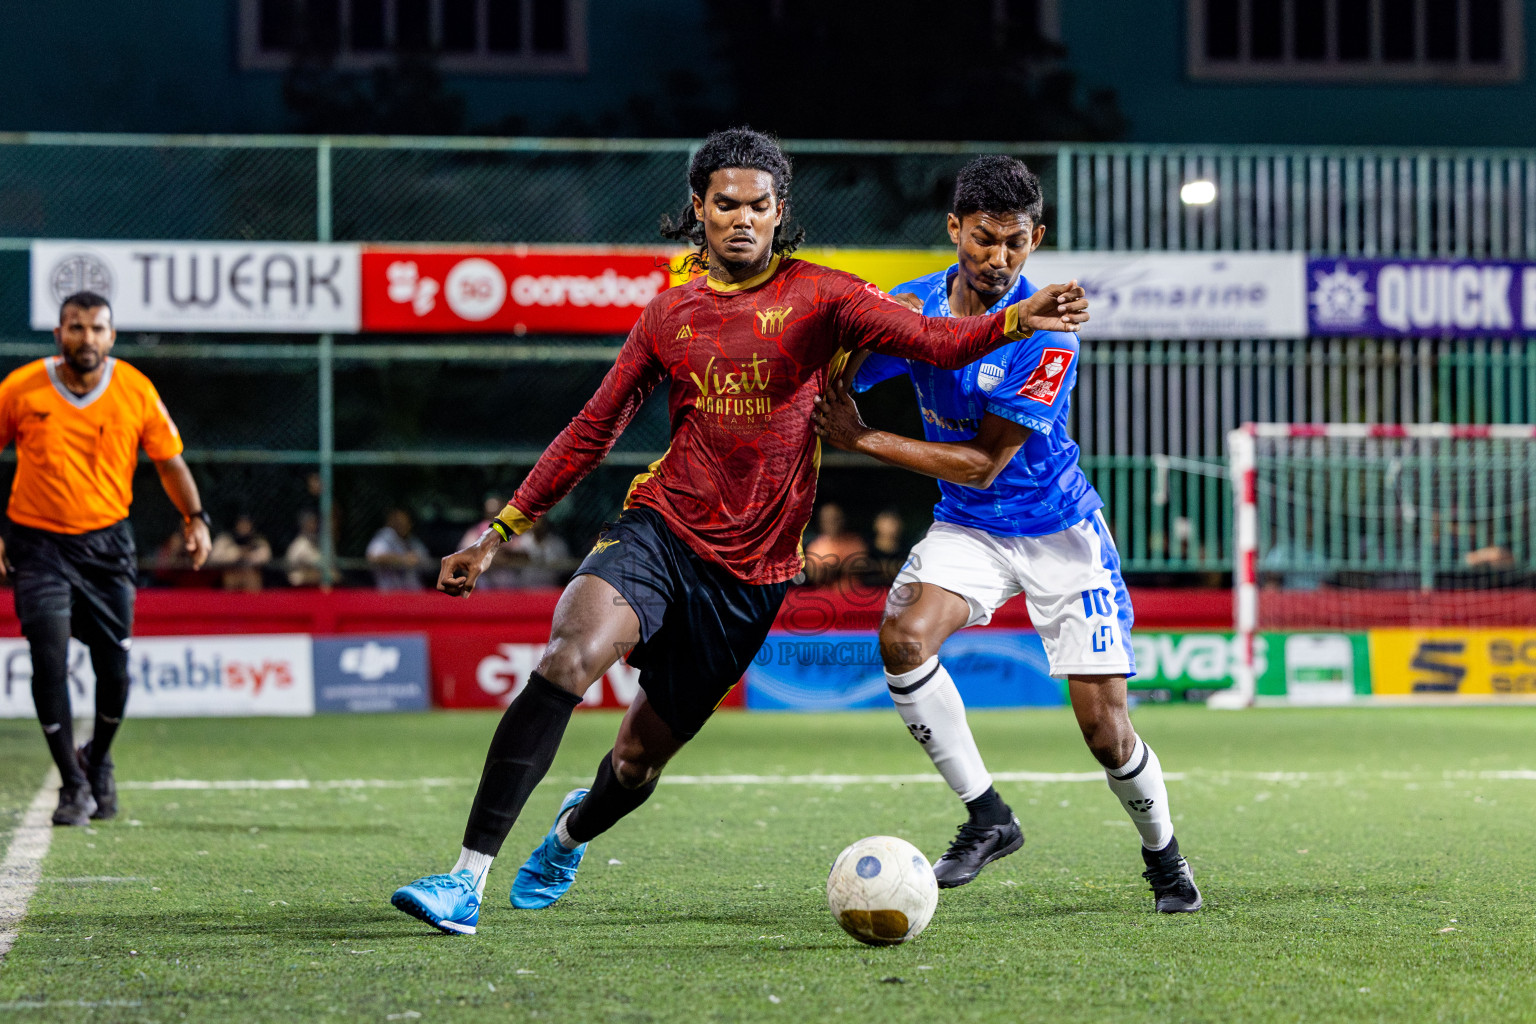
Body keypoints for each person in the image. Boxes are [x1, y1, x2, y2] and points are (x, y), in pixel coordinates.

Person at [389, 127, 1089, 935]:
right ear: (700, 209)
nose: (743, 219)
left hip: (750, 578)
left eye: (759, 205)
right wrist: (499, 530)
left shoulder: (828, 297)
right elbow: (592, 428)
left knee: (635, 761)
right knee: (569, 656)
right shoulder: (669, 314)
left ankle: (569, 833)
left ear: (779, 210)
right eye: (726, 204)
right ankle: (463, 879)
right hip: (660, 528)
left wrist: (1018, 317)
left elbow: (934, 337)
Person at [814, 155, 1200, 913]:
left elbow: (985, 462)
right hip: (970, 529)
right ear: (954, 229)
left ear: (1036, 238)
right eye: (984, 240)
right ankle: (988, 816)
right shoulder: (916, 307)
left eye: (1015, 243)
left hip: (1060, 531)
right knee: (901, 639)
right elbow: (840, 375)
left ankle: (1165, 856)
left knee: (1106, 733)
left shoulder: (1048, 331)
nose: (998, 259)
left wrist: (863, 440)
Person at [0, 291, 212, 826]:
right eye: (76, 327)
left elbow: (169, 462)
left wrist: (195, 519)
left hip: (106, 546)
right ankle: (72, 787)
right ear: (59, 334)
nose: (87, 338)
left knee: (114, 670)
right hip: (38, 543)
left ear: (111, 336)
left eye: (97, 328)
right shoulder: (19, 388)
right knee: (48, 657)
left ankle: (97, 758)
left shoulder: (135, 390)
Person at [802, 502, 867, 585]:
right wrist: (842, 567)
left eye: (835, 519)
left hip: (853, 594)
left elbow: (861, 566)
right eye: (827, 519)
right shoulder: (815, 547)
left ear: (843, 519)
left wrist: (832, 568)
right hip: (824, 595)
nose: (831, 523)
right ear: (821, 521)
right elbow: (814, 575)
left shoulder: (855, 543)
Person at [366, 507, 430, 591]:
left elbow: (427, 563)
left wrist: (416, 560)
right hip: (390, 593)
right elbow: (373, 557)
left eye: (404, 522)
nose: (401, 525)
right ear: (390, 522)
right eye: (397, 522)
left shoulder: (413, 541)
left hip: (413, 592)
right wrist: (403, 560)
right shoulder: (385, 535)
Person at [208, 513, 272, 592]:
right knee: (231, 574)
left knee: (252, 575)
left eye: (246, 524)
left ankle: (253, 602)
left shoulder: (258, 541)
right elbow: (214, 559)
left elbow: (265, 558)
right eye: (241, 524)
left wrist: (249, 555)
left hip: (250, 574)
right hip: (230, 575)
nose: (244, 527)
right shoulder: (225, 540)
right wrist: (238, 553)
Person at [283, 509, 323, 587]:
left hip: (314, 583)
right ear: (304, 524)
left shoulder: (316, 542)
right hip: (299, 584)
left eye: (314, 522)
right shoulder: (299, 544)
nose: (314, 525)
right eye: (310, 522)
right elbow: (293, 575)